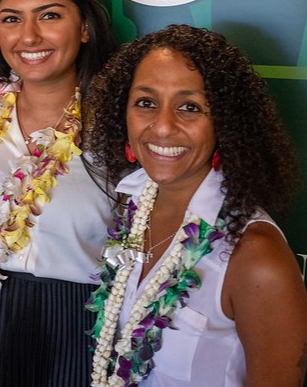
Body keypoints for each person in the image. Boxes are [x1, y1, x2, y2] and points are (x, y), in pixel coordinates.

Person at [84, 24, 307, 386]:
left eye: (190, 107)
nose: (162, 127)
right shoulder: (132, 205)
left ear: (226, 121)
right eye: (146, 102)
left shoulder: (256, 257)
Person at [0, 0, 119, 386]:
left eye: (49, 16)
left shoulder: (120, 120)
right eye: (10, 19)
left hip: (82, 325)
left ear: (84, 27)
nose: (28, 36)